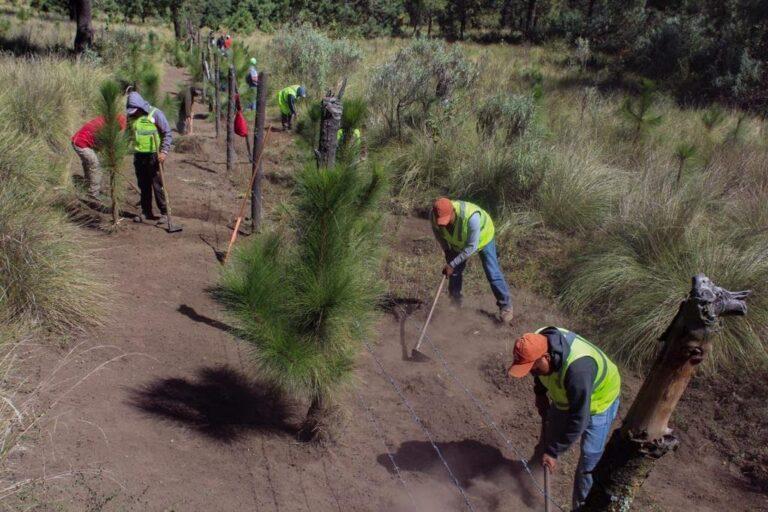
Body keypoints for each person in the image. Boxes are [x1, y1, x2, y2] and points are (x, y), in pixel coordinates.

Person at [507, 327, 621, 510]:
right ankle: (530, 480)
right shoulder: (538, 340)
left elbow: (580, 419)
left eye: (533, 368)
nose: (532, 373)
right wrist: (540, 394)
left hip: (599, 401)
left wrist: (554, 452)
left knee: (589, 461)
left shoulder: (578, 370)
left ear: (546, 357)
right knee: (548, 440)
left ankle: (582, 506)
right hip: (568, 397)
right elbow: (538, 374)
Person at [430, 197, 514, 324]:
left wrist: (452, 263)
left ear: (453, 211)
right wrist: (447, 251)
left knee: (492, 273)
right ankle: (455, 303)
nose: (445, 224)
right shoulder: (434, 216)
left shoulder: (471, 218)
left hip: (483, 237)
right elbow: (438, 234)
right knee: (454, 272)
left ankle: (506, 307)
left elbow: (471, 247)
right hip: (459, 243)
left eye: (447, 220)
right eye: (442, 222)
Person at [126, 91, 173, 224]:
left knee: (157, 185)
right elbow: (127, 135)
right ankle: (146, 212)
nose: (133, 113)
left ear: (141, 106)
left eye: (135, 110)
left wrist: (164, 152)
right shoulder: (131, 117)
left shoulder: (155, 113)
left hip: (154, 155)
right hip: (139, 155)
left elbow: (167, 133)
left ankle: (164, 212)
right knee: (143, 185)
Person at [71, 114, 127, 200]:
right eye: (118, 127)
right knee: (95, 165)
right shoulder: (104, 128)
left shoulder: (106, 120)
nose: (119, 130)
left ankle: (87, 185)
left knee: (88, 163)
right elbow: (101, 145)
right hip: (81, 144)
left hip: (81, 141)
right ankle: (93, 193)